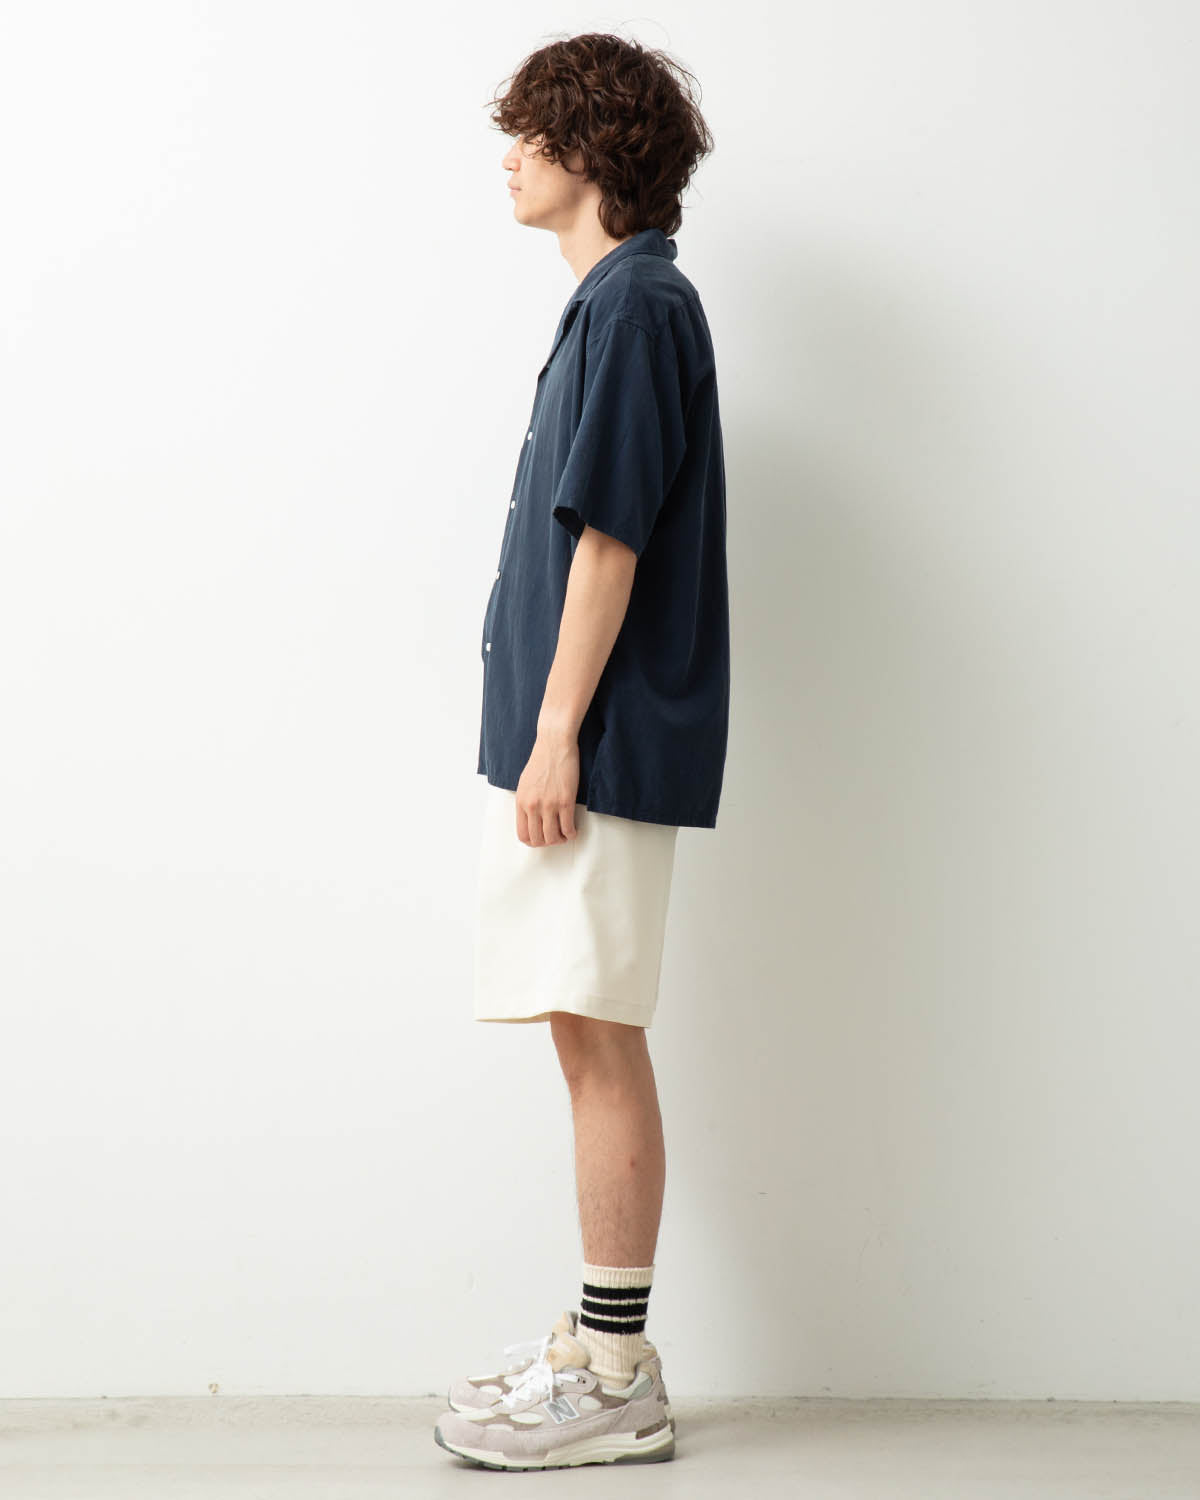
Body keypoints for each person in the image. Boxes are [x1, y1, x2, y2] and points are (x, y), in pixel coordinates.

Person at [435, 31, 730, 1471]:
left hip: (596, 747)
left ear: (590, 148)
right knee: (582, 1031)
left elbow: (609, 541)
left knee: (600, 1037)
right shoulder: (614, 303)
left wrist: (557, 736)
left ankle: (616, 1374)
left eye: (530, 134)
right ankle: (602, 1346)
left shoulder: (639, 307)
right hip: (574, 745)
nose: (509, 157)